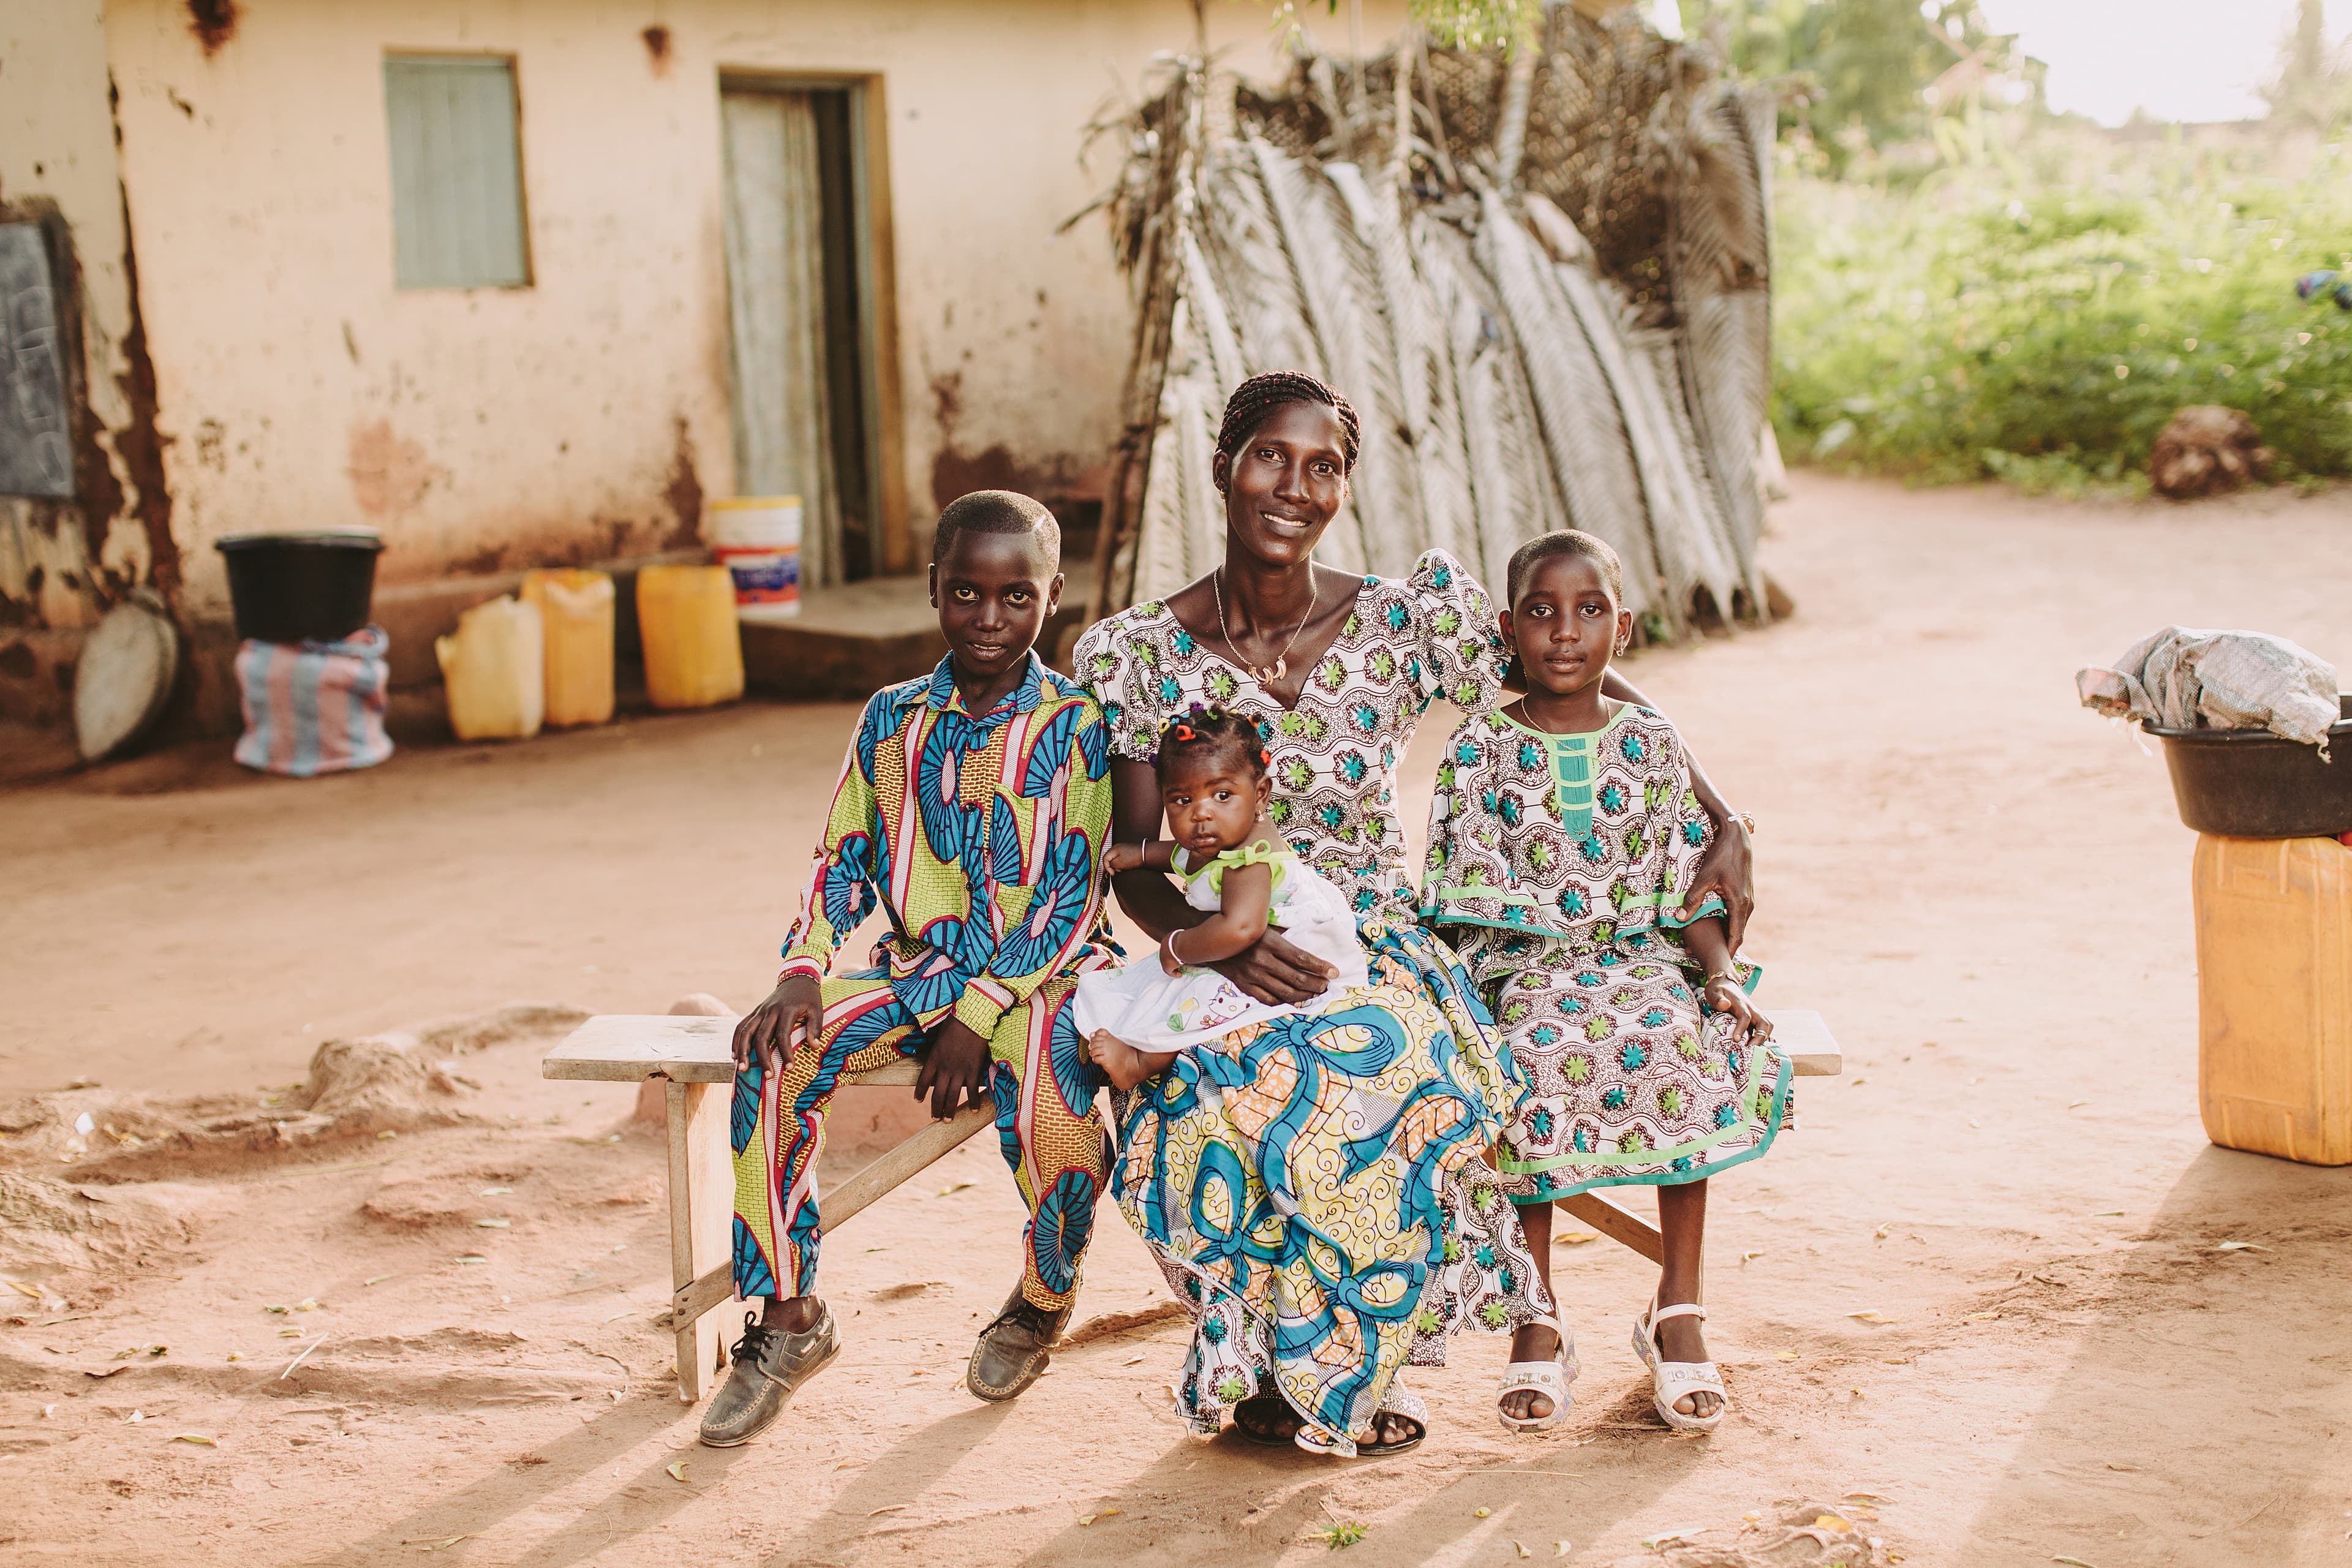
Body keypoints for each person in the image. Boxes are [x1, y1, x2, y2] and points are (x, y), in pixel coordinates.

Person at [701, 490, 1118, 1448]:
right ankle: (790, 1321)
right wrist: (804, 970)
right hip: (918, 968)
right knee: (776, 1056)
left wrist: (978, 1016)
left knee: (1058, 1103)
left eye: (1017, 597)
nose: (988, 617)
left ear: (1051, 600)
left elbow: (1066, 895)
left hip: (1039, 976)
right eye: (966, 591)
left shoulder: (1075, 724)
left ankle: (1042, 1301)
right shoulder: (894, 717)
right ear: (935, 587)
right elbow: (845, 850)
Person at [1422, 529, 1789, 1436]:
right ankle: (1536, 1322)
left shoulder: (1652, 744)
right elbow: (1460, 905)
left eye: (1589, 611)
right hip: (1526, 965)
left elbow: (1686, 889)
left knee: (1677, 1037)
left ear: (1621, 627)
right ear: (1508, 628)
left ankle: (1680, 1310)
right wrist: (1474, 991)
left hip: (1640, 958)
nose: (1564, 633)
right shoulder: (1479, 749)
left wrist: (1721, 976)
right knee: (1534, 1056)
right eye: (1541, 613)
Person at [1073, 706, 1370, 1090]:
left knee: (1191, 998)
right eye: (1181, 800)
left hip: (1281, 956)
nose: (1201, 814)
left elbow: (1242, 928)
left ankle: (1143, 1061)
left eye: (1222, 795)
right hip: (1235, 944)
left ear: (1260, 794)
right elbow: (1184, 858)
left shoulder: (1251, 854)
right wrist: (1142, 853)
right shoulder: (1220, 838)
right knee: (1162, 986)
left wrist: (1177, 946)